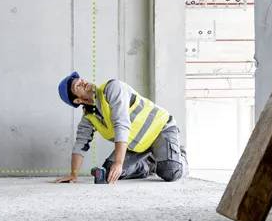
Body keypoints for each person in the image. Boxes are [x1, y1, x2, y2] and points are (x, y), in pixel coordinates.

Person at [54, 71, 187, 185]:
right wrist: (74, 174)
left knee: (170, 171)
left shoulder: (112, 88)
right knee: (109, 173)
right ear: (77, 101)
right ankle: (149, 164)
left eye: (81, 79)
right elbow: (80, 144)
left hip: (160, 128)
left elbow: (121, 124)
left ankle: (180, 156)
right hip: (137, 146)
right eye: (77, 86)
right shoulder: (89, 117)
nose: (83, 82)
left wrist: (119, 162)